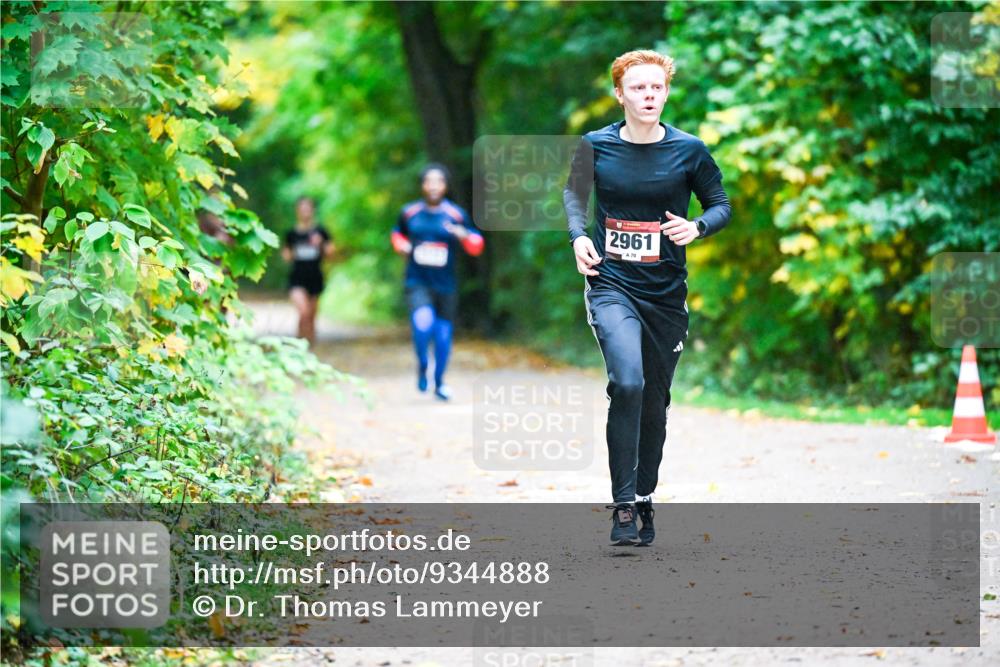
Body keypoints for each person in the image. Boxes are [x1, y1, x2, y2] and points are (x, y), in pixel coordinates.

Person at [564, 50, 732, 546]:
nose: (648, 96)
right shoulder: (595, 146)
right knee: (628, 382)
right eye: (638, 88)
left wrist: (696, 227)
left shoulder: (689, 150)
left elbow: (720, 205)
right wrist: (578, 236)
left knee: (655, 403)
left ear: (666, 92)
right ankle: (620, 506)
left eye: (656, 87)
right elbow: (575, 195)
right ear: (620, 94)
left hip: (665, 293)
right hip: (612, 283)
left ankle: (642, 495)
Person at [391, 164, 484, 401]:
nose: (433, 186)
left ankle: (440, 382)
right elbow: (397, 233)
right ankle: (423, 365)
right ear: (422, 185)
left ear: (445, 186)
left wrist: (463, 235)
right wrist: (400, 245)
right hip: (417, 281)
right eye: (428, 182)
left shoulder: (455, 215)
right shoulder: (409, 213)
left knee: (443, 337)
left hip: (446, 285)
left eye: (438, 182)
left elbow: (476, 244)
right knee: (423, 325)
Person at [282, 196, 334, 345]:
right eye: (302, 209)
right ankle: (299, 344)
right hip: (297, 278)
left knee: (311, 316)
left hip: (315, 277)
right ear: (297, 211)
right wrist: (292, 252)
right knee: (303, 312)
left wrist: (321, 243)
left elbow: (331, 253)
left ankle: (309, 346)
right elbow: (286, 256)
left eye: (308, 208)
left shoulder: (320, 231)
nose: (305, 212)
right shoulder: (292, 233)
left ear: (313, 211)